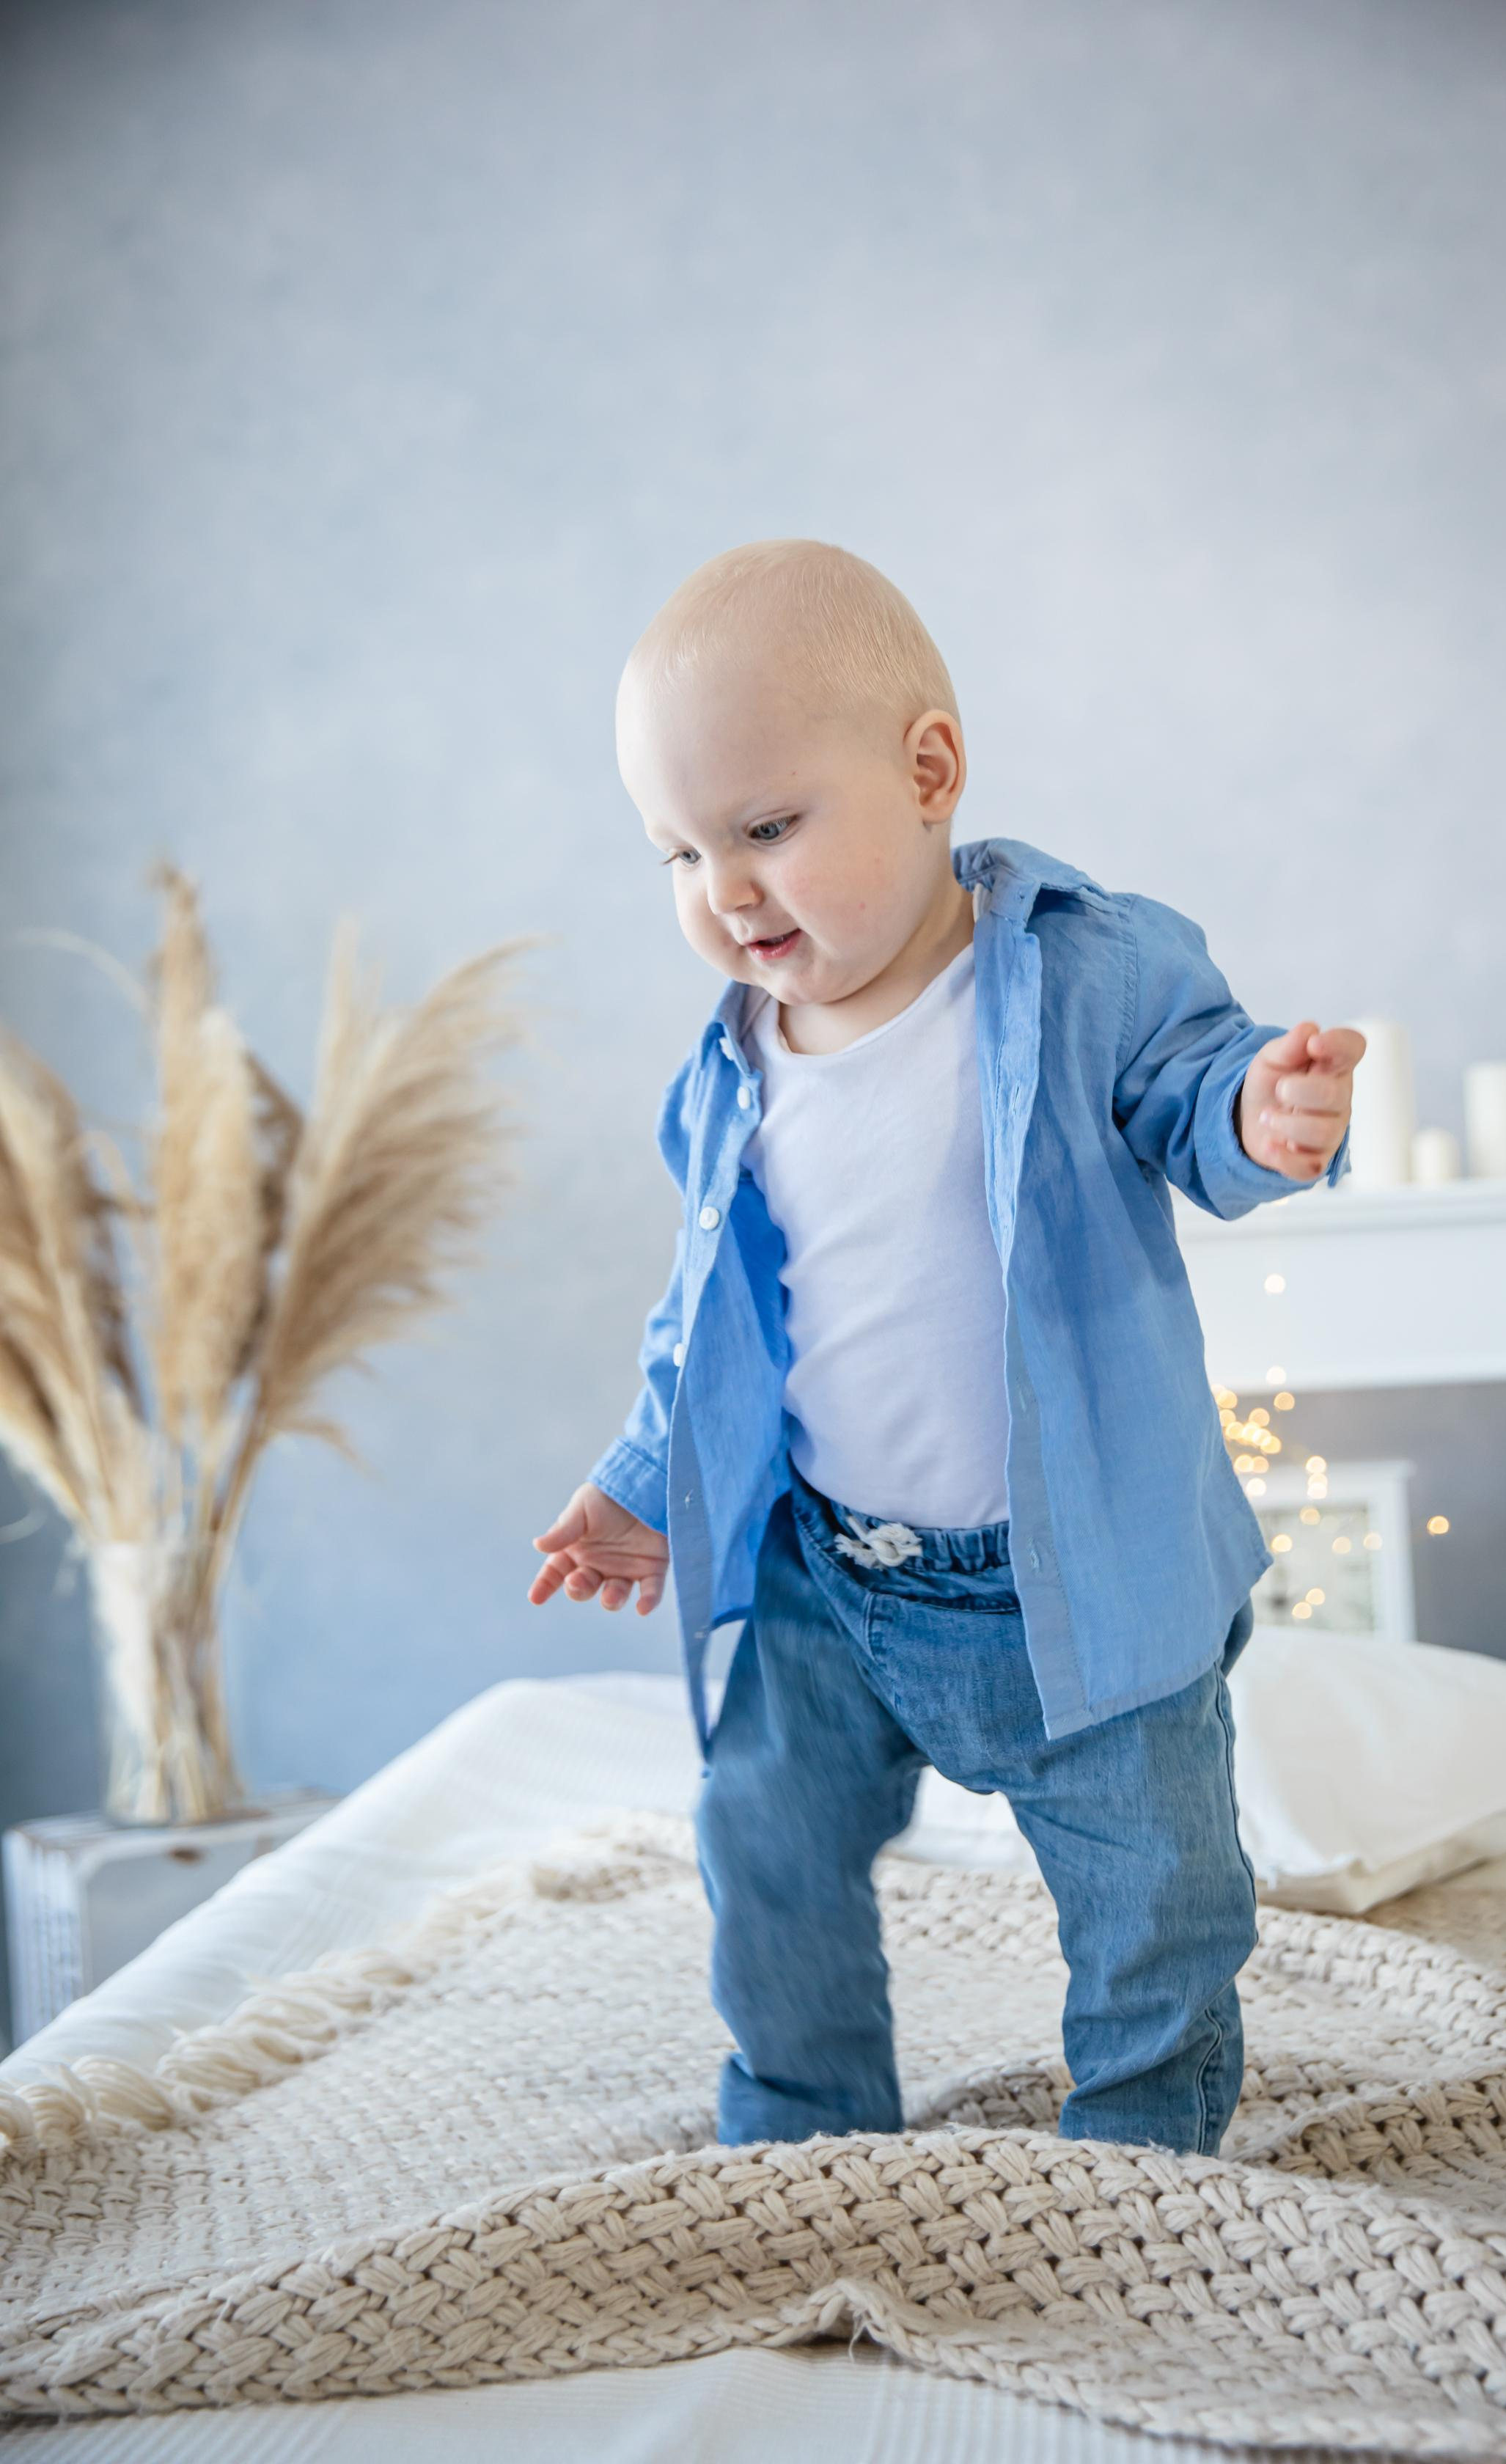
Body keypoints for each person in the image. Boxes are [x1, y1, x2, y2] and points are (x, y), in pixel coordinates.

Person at [528, 539, 1362, 2157]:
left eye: (766, 829)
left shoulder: (1075, 970)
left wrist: (1266, 1112)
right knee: (759, 1831)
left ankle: (1141, 2143)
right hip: (836, 1577)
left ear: (928, 771)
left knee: (1158, 1890)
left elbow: (1199, 1096)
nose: (728, 894)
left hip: (1077, 1582)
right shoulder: (733, 1062)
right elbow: (710, 1317)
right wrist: (641, 1478)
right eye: (680, 854)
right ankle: (804, 2116)